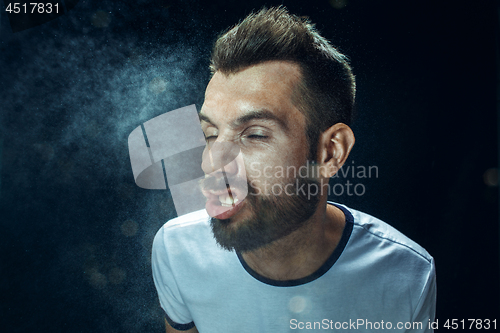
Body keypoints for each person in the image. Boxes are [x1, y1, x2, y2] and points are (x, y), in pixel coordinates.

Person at [152, 7, 436, 333]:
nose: (210, 163)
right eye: (211, 133)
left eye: (255, 134)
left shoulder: (406, 275)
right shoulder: (177, 250)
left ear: (331, 152)